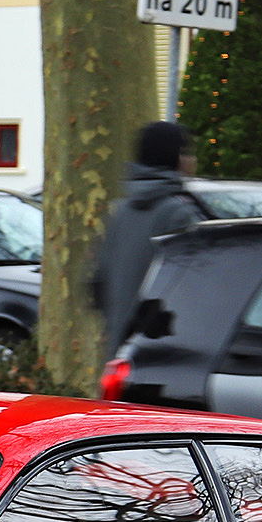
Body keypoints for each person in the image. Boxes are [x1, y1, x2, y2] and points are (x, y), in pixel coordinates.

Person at [95, 121, 209, 360]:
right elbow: (190, 289)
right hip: (163, 350)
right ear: (174, 157)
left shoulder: (119, 211)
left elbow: (98, 283)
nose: (191, 159)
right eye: (186, 151)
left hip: (119, 348)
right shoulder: (180, 213)